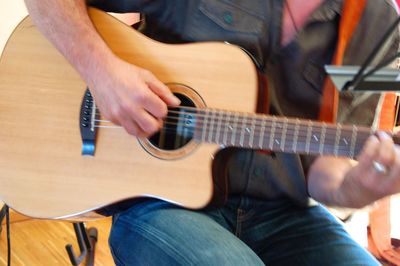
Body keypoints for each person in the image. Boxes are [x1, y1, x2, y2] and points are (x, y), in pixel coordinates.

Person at [23, 0, 400, 265]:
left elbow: (327, 163)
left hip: (286, 216)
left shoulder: (380, 24)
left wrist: (355, 188)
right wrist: (102, 73)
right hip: (161, 204)